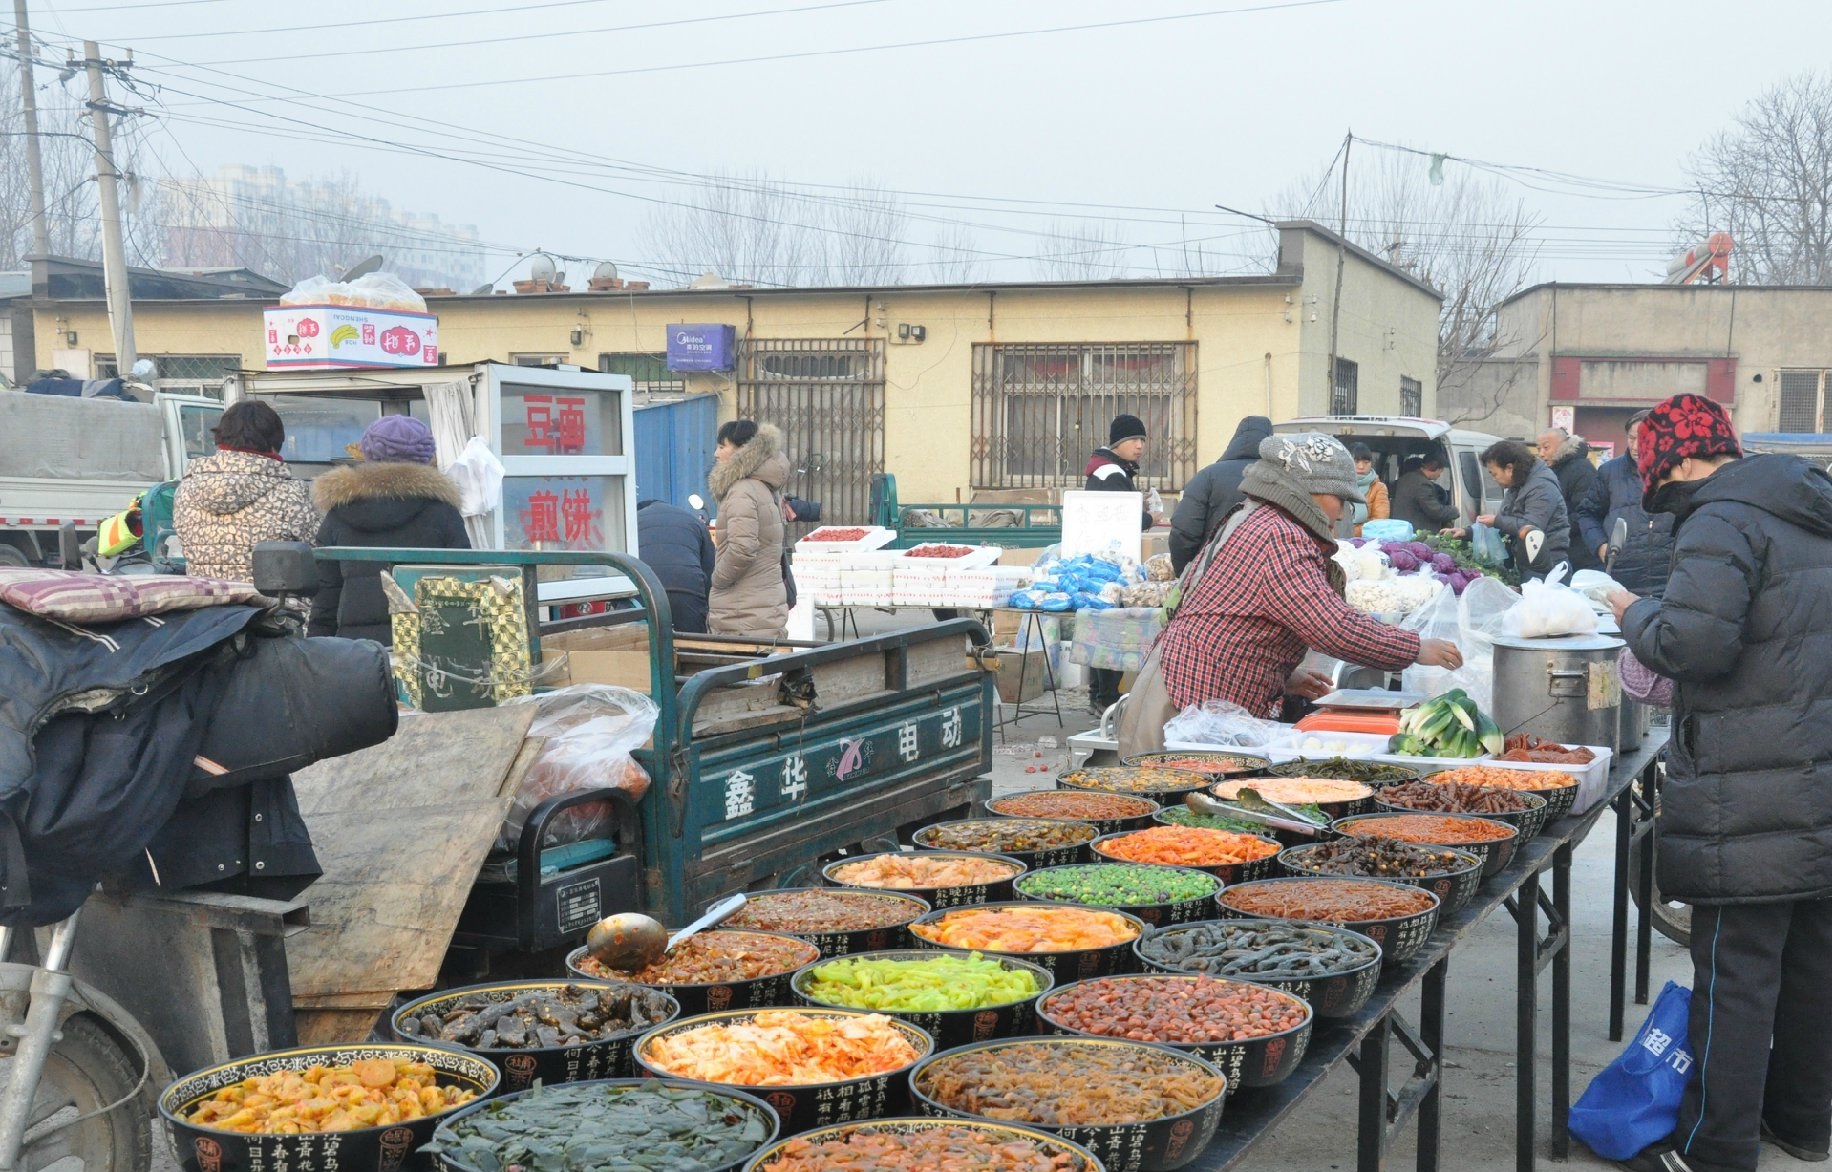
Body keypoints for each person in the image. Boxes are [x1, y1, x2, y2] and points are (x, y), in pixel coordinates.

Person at [1606, 393, 1832, 1172]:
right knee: (1811, 969)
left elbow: (1692, 644)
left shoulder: (1721, 517)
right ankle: (1803, 1125)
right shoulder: (1810, 505)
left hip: (1752, 788)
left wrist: (1633, 611)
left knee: (1736, 976)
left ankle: (1715, 1150)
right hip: (1820, 777)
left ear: (1677, 461)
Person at [1155, 433, 1462, 719]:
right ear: (1309, 492)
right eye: (1339, 500)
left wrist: (1284, 676)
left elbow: (1239, 618)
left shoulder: (1260, 517)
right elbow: (1332, 626)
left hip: (1208, 689)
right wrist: (1415, 648)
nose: (1341, 514)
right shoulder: (1278, 536)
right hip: (1202, 702)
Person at [307, 416, 471, 644]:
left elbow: (325, 598)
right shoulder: (443, 514)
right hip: (428, 651)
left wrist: (318, 651)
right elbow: (464, 590)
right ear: (426, 456)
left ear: (367, 453)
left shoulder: (340, 513)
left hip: (354, 654)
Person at [172, 400, 319, 583]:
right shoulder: (291, 491)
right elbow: (318, 552)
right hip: (275, 606)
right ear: (274, 444)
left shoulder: (186, 489)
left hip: (206, 603)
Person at [1084, 413, 1163, 715]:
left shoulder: (1112, 470)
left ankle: (1100, 695)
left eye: (1142, 439)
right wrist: (1149, 518)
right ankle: (1104, 697)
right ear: (1118, 442)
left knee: (1103, 624)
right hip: (1108, 563)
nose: (1140, 446)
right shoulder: (1111, 473)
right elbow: (1120, 520)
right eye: (1133, 440)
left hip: (1106, 561)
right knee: (1111, 627)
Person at [1575, 411, 1675, 597]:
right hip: (1622, 577)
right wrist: (1600, 545)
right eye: (1631, 438)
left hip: (1670, 578)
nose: (1636, 446)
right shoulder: (1609, 472)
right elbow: (1587, 513)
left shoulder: (1678, 471)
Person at [707, 419, 790, 640]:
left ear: (743, 450)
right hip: (761, 609)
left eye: (722, 446)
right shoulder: (763, 487)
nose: (716, 454)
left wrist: (718, 579)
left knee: (742, 672)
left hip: (742, 612)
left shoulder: (741, 490)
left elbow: (742, 548)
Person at [1169, 415, 1272, 575]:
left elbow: (1184, 531)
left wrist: (1184, 573)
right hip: (1264, 576)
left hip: (1212, 573)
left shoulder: (1208, 475)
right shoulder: (1280, 480)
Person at [1471, 439, 1570, 581]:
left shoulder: (1542, 487)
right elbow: (1506, 519)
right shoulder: (1517, 484)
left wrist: (1497, 521)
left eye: (1494, 473)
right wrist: (1468, 532)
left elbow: (1531, 528)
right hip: (1528, 561)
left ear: (1509, 468)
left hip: (1546, 565)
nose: (1494, 479)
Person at [636, 498, 715, 633]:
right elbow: (710, 569)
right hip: (687, 590)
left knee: (645, 647)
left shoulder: (633, 521)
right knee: (691, 647)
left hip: (645, 591)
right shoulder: (693, 521)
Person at [1539, 427, 1602, 570]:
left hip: (1580, 552)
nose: (1541, 453)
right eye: (1539, 448)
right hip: (1558, 547)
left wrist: (1553, 528)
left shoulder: (1581, 469)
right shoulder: (1550, 471)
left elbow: (1585, 512)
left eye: (1546, 447)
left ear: (1563, 445)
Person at [1390, 450, 1461, 533]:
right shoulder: (1423, 485)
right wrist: (1455, 510)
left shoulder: (1405, 478)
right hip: (1418, 532)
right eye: (1441, 471)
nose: (1439, 475)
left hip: (1401, 529)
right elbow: (1435, 512)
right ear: (1436, 468)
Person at [1346, 443, 1390, 537]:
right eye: (1356, 462)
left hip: (1364, 542)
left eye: (1366, 462)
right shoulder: (1335, 483)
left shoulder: (1378, 487)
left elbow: (1379, 522)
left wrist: (1348, 532)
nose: (1361, 466)